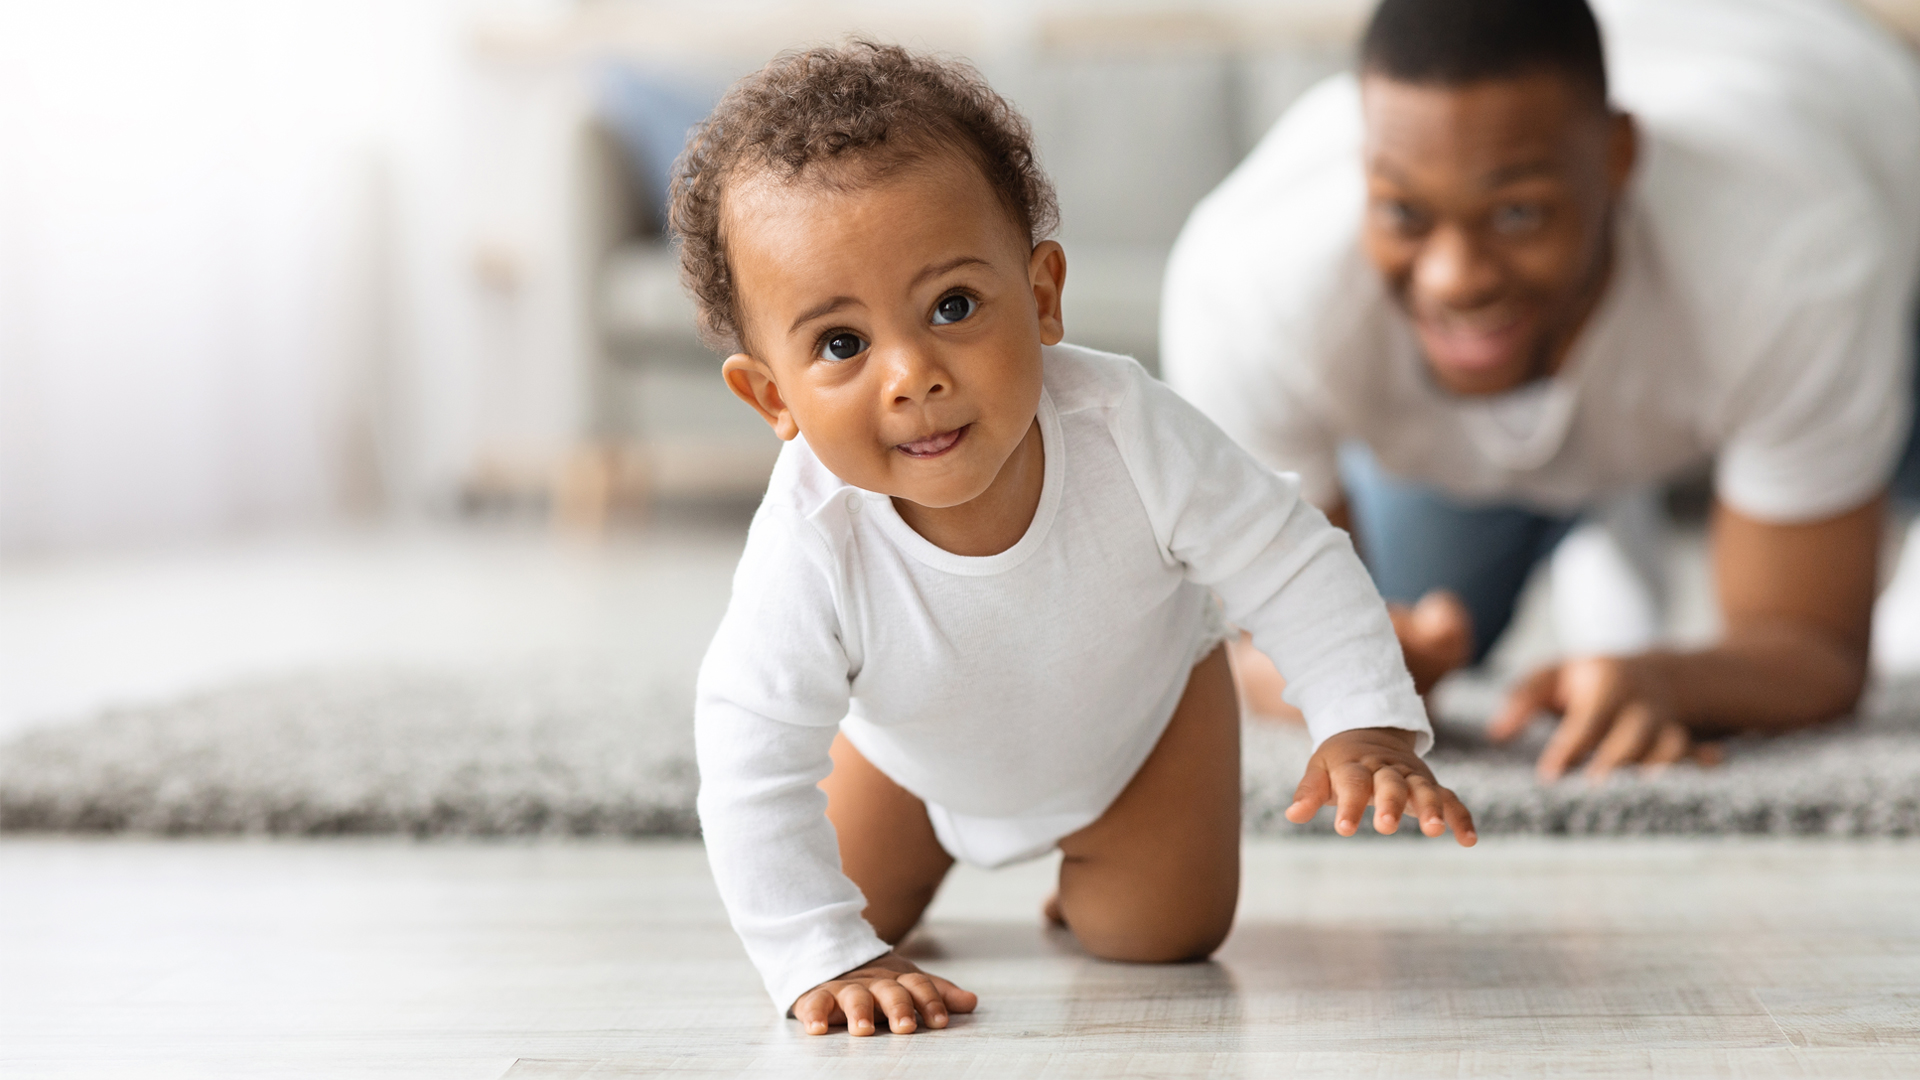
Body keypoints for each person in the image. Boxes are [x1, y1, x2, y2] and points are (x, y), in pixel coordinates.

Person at [680, 42, 1476, 1036]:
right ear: (772, 397)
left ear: (1043, 294)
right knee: (845, 923)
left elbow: (1290, 558)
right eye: (842, 344)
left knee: (1163, 936)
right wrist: (816, 955)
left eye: (953, 307)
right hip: (908, 763)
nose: (913, 375)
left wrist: (1364, 723)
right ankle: (890, 884)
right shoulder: (810, 538)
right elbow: (749, 759)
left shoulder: (1128, 431)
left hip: (1137, 738)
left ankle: (1098, 866)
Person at [1164, 0, 1920, 782]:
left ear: (1621, 158)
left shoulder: (1794, 256)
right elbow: (1249, 650)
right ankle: (1603, 526)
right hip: (1525, 388)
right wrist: (1345, 671)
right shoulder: (1248, 289)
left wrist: (1669, 682)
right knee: (1405, 635)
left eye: (1518, 213)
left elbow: (1814, 646)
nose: (1454, 278)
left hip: (1858, 180)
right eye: (1406, 214)